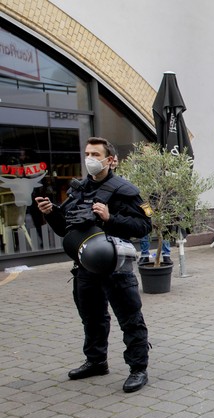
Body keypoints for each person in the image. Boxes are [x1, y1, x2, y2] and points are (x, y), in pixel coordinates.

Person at [35, 137, 151, 393]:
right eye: (88, 153)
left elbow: (144, 226)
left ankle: (138, 369)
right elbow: (66, 229)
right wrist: (51, 212)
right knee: (91, 317)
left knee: (130, 317)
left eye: (96, 154)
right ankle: (96, 361)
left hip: (116, 265)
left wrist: (110, 218)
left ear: (109, 160)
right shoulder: (79, 189)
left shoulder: (126, 190)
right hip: (85, 265)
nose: (90, 159)